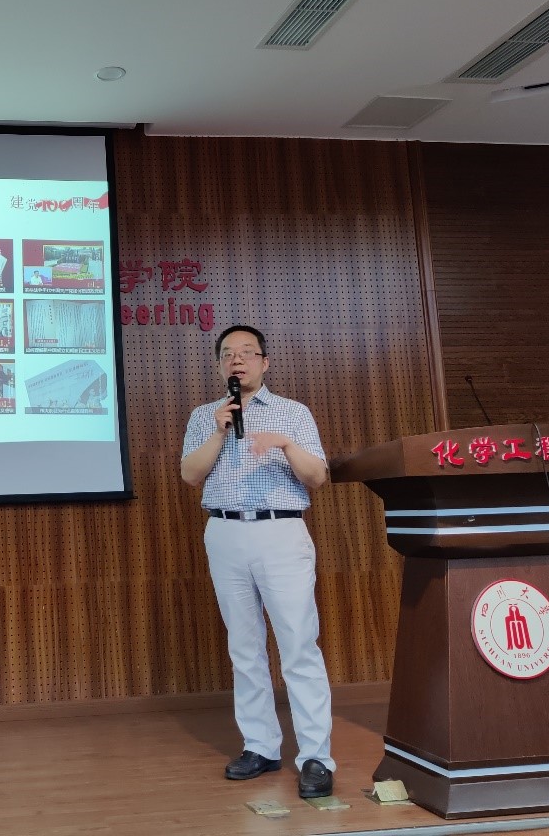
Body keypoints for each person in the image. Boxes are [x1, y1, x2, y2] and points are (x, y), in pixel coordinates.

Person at [180, 324, 334, 799]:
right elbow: (190, 475)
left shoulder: (294, 412)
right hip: (225, 531)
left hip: (280, 532)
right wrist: (219, 432)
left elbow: (318, 477)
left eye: (247, 352)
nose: (237, 359)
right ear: (219, 366)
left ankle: (316, 757)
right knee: (244, 647)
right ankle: (261, 746)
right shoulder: (206, 416)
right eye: (228, 353)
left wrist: (285, 444)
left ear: (265, 363)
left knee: (298, 644)